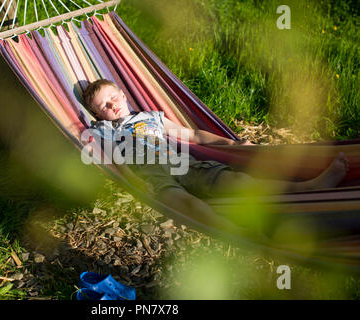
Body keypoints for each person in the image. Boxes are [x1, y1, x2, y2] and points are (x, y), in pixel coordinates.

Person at [82, 79, 349, 240]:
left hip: (183, 164)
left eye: (113, 98)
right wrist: (135, 184)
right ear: (97, 115)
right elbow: (111, 160)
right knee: (188, 205)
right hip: (154, 177)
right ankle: (242, 236)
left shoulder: (153, 118)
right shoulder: (106, 131)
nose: (111, 105)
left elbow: (195, 135)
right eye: (102, 106)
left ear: (123, 94)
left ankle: (310, 187)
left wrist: (232, 144)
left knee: (238, 181)